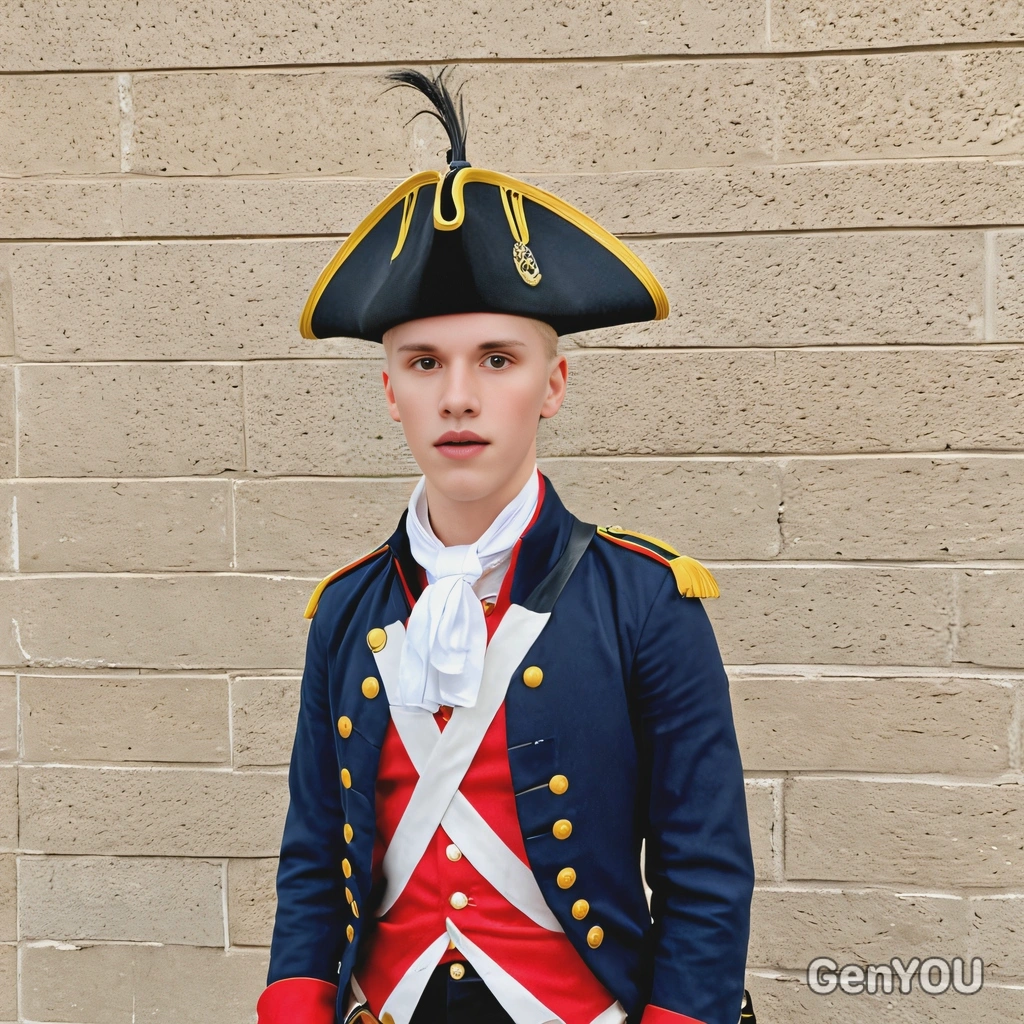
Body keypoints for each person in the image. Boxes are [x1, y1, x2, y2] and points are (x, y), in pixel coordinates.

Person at [255, 68, 756, 1024]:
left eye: (497, 360)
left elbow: (704, 868)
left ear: (553, 384)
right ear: (388, 390)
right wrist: (293, 1002)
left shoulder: (646, 601)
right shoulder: (348, 611)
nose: (458, 397)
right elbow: (315, 851)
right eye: (423, 363)